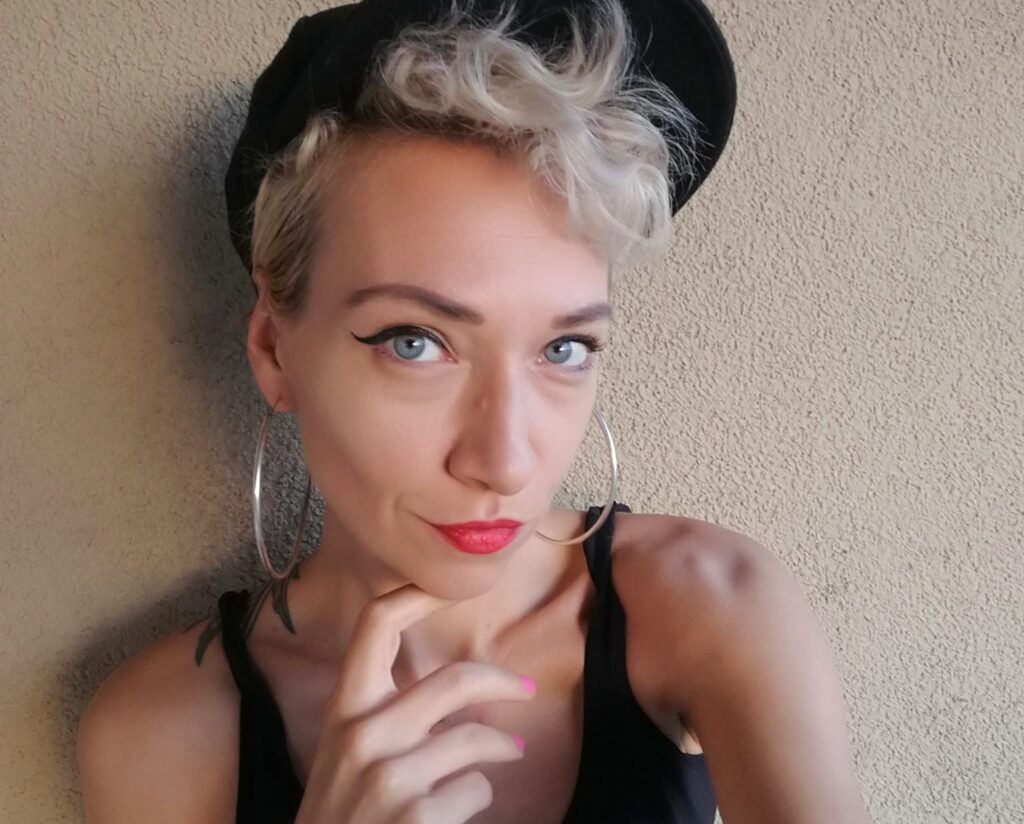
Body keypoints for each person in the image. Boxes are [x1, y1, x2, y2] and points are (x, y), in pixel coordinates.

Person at [76, 0, 871, 822]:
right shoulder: (161, 734)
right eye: (415, 342)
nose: (505, 462)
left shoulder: (708, 605)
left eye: (564, 348)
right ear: (275, 351)